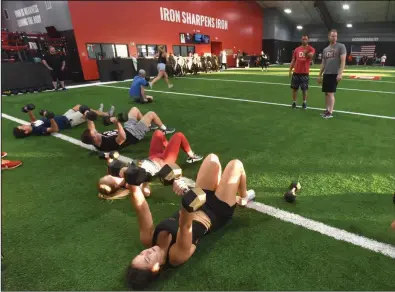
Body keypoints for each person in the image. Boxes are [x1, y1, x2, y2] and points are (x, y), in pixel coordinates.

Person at [123, 153, 255, 290]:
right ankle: (244, 197)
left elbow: (141, 209)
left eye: (141, 254)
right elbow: (185, 226)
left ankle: (224, 188)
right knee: (235, 164)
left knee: (212, 159)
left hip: (195, 201)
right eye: (147, 259)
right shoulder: (176, 256)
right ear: (156, 269)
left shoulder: (148, 239)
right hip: (217, 210)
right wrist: (186, 200)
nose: (146, 252)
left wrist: (132, 185)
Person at [97, 130, 203, 197]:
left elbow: (110, 164)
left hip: (152, 157)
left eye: (109, 174)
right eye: (111, 177)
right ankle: (192, 156)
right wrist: (145, 183)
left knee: (158, 133)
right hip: (164, 163)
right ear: (117, 184)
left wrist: (108, 156)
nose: (111, 174)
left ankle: (167, 147)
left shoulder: (116, 172)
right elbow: (147, 193)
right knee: (178, 136)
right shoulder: (131, 182)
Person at [80, 107, 175, 152]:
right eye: (95, 133)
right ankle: (165, 129)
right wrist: (117, 122)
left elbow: (91, 127)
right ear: (94, 139)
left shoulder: (94, 139)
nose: (97, 131)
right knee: (151, 113)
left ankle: (148, 126)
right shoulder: (106, 144)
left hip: (127, 128)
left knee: (134, 109)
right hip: (134, 134)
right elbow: (122, 138)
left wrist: (88, 116)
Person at [13, 104, 113, 138]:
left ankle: (98, 112)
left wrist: (29, 111)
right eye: (22, 127)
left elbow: (34, 120)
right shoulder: (38, 130)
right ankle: (106, 114)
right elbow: (54, 129)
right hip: (69, 121)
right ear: (26, 132)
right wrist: (51, 118)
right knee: (84, 109)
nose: (22, 124)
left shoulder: (33, 125)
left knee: (78, 106)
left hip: (64, 116)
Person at [317, 29, 346, 119]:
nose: (334, 38)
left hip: (334, 74)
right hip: (326, 73)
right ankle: (327, 110)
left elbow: (343, 61)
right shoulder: (325, 49)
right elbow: (323, 63)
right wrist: (320, 75)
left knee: (330, 93)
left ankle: (330, 112)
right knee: (326, 93)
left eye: (336, 36)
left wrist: (340, 73)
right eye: (332, 36)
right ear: (329, 36)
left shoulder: (341, 46)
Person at [289, 35, 315, 110]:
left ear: (308, 40)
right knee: (294, 89)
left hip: (304, 73)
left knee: (304, 89)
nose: (304, 40)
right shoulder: (297, 49)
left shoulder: (311, 49)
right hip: (296, 72)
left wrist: (306, 53)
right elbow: (293, 60)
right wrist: (290, 70)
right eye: (303, 39)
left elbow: (311, 55)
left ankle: (304, 102)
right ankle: (294, 102)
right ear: (301, 40)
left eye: (305, 39)